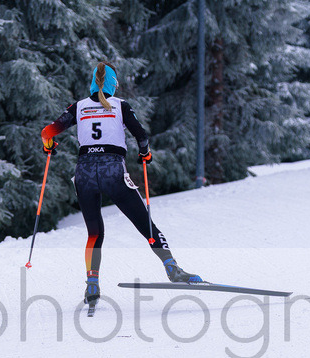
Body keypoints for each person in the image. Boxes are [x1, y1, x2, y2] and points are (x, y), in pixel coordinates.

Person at [41, 62, 201, 306]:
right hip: (112, 170)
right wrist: (145, 154)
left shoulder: (79, 106)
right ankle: (172, 268)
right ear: (114, 84)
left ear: (93, 83)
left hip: (84, 172)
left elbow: (48, 132)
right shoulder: (120, 105)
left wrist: (49, 146)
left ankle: (92, 284)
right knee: (145, 223)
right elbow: (142, 136)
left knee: (94, 233)